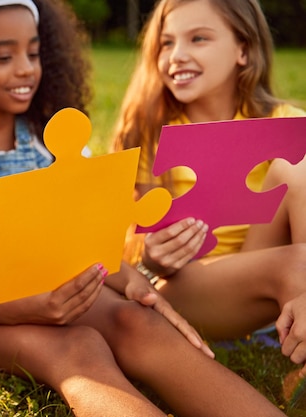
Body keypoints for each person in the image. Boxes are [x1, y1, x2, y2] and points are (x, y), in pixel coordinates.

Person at [0, 0, 286, 415]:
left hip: (61, 290)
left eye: (33, 53)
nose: (25, 69)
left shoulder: (50, 142)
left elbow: (89, 235)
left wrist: (131, 282)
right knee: (77, 351)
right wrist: (29, 308)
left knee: (138, 322)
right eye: (3, 56)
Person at [111, 0, 306, 348]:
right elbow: (130, 246)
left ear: (243, 50)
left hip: (264, 269)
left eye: (198, 38)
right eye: (167, 42)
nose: (176, 55)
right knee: (299, 265)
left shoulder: (284, 122)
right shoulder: (149, 132)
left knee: (297, 167)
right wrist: (153, 259)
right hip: (188, 285)